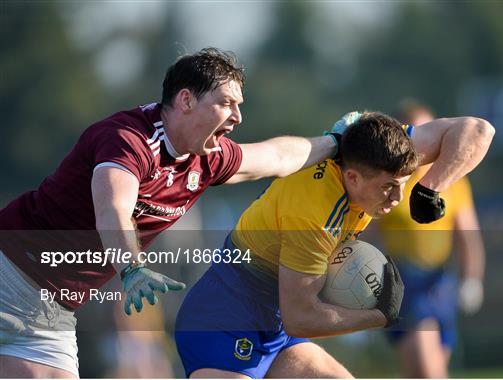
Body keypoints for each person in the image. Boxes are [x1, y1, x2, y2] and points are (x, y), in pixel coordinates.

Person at [0, 47, 346, 378]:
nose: (238, 117)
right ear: (186, 100)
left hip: (51, 310)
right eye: (226, 103)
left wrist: (335, 142)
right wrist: (131, 267)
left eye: (239, 106)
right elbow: (113, 209)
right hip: (8, 272)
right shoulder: (129, 139)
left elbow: (277, 157)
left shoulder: (207, 157)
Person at [175, 111, 494, 378]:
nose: (396, 198)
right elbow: (300, 317)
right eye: (387, 188)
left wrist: (429, 188)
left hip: (276, 327)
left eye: (401, 185)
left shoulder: (378, 150)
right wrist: (377, 316)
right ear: (352, 178)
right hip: (223, 324)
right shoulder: (315, 217)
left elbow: (477, 130)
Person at [378, 100, 486, 378]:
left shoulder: (452, 178)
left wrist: (471, 278)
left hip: (438, 282)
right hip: (403, 281)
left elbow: (467, 235)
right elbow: (367, 232)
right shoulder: (390, 179)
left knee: (430, 371)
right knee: (425, 371)